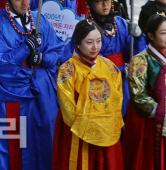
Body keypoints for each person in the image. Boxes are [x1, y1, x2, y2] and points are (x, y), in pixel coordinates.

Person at [0, 0, 64, 170]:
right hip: (12, 94)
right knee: (13, 145)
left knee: (44, 136)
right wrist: (26, 49)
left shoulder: (40, 20)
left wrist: (42, 58)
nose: (24, 2)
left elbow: (58, 50)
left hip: (43, 92)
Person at [65, 0, 146, 117]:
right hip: (98, 83)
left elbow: (133, 55)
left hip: (122, 82)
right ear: (90, 3)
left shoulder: (120, 23)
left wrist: (138, 38)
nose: (105, 4)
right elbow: (79, 59)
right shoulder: (85, 27)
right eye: (100, 1)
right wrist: (117, 70)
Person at [122, 14, 166, 170]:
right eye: (163, 33)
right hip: (150, 121)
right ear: (151, 36)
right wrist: (163, 112)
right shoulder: (141, 60)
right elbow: (138, 95)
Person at [52, 19, 124, 170]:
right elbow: (67, 106)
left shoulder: (109, 66)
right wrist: (88, 127)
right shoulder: (68, 69)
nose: (95, 47)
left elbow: (117, 98)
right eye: (89, 42)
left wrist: (106, 122)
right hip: (79, 130)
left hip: (106, 129)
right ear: (78, 42)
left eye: (98, 41)